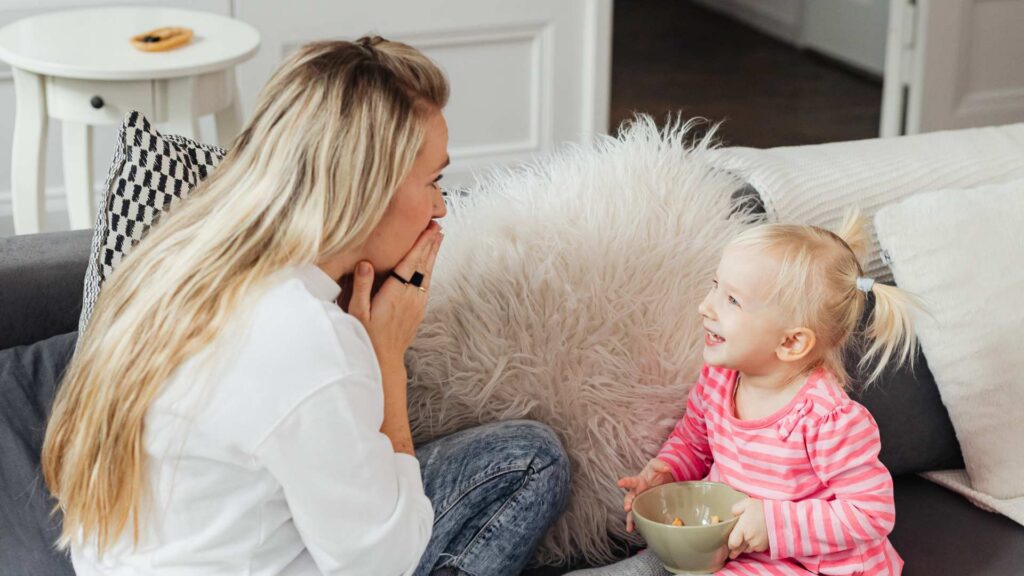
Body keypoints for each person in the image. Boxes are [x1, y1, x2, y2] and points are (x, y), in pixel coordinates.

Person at [42, 37, 569, 576]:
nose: (440, 207)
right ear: (368, 190)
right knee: (530, 461)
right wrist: (385, 359)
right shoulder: (304, 338)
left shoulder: (176, 256)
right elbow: (384, 563)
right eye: (434, 181)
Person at [570, 212, 918, 575]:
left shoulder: (827, 420)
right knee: (655, 560)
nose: (705, 306)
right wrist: (667, 471)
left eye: (732, 300)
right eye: (715, 285)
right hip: (723, 544)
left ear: (791, 341)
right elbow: (694, 442)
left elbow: (871, 513)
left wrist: (772, 524)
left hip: (801, 562)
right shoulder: (719, 380)